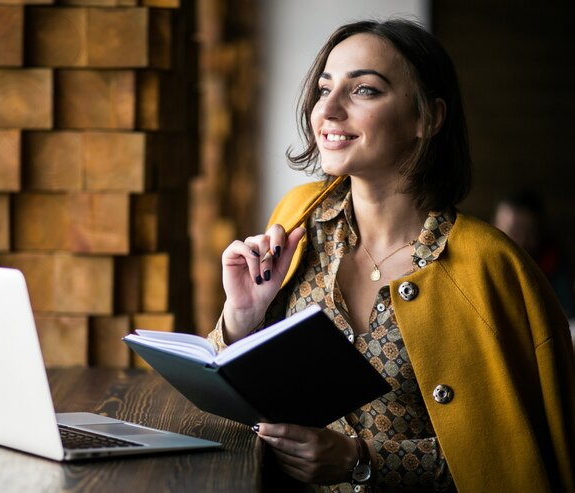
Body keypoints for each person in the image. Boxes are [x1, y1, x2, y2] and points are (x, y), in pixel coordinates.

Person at [207, 19, 575, 492]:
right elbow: (238, 401)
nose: (329, 110)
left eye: (363, 90)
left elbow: (518, 455)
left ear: (428, 118)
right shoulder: (297, 218)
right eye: (324, 88)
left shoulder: (494, 267)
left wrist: (362, 460)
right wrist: (241, 316)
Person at [493, 189, 575, 319]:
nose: (519, 241)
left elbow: (566, 312)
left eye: (527, 233)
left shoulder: (553, 263)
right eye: (511, 231)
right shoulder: (483, 262)